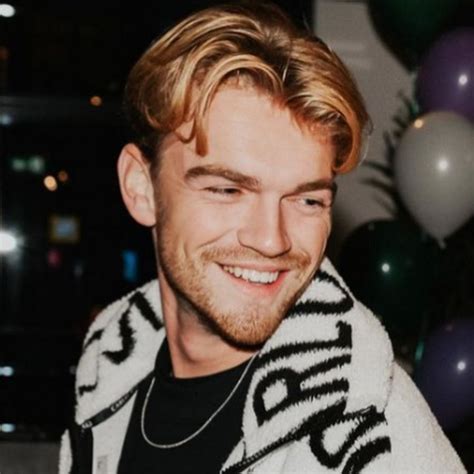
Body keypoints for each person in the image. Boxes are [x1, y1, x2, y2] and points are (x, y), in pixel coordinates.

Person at [59, 2, 465, 473]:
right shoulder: (105, 372)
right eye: (227, 190)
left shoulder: (376, 440)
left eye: (307, 200)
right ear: (140, 188)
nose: (272, 240)